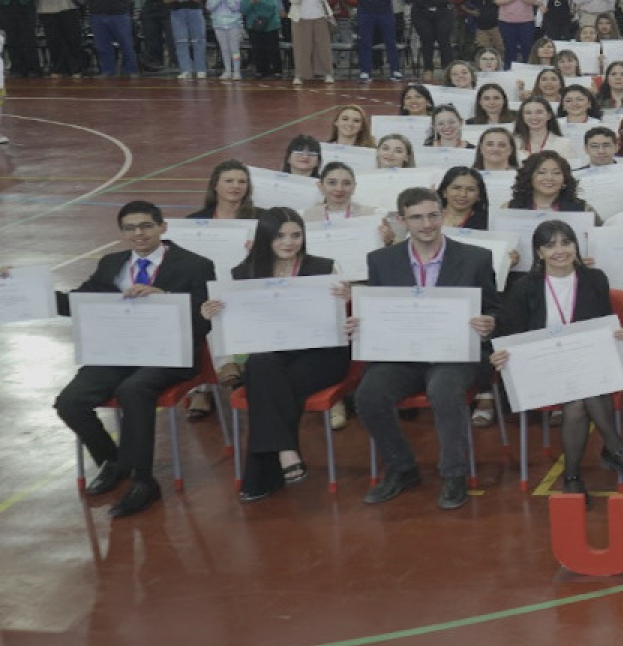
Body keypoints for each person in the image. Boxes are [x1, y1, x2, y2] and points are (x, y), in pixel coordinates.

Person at [49, 201, 217, 517]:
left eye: (145, 226)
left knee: (133, 390)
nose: (138, 233)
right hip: (119, 351)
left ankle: (144, 481)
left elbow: (204, 321)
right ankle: (113, 462)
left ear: (162, 227)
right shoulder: (111, 264)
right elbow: (78, 303)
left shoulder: (196, 265)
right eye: (130, 228)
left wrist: (166, 300)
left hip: (169, 353)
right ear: (122, 233)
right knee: (70, 401)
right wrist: (21, 288)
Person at [353, 187, 501, 510]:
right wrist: (360, 324)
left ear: (443, 214)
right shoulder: (381, 260)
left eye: (433, 215)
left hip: (454, 353)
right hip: (401, 355)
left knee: (444, 390)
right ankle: (402, 467)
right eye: (417, 217)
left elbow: (495, 308)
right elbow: (378, 311)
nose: (427, 224)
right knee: (368, 395)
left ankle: (454, 474)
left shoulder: (476, 258)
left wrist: (489, 321)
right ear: (402, 220)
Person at [490, 220, 623, 502]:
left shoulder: (594, 279)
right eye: (550, 245)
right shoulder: (524, 287)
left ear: (576, 246)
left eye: (566, 243)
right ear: (539, 252)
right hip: (544, 367)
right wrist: (500, 353)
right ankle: (616, 448)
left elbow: (602, 324)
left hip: (585, 363)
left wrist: (616, 334)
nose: (560, 251)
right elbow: (511, 333)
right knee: (581, 394)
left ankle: (573, 476)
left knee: (578, 398)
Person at [201, 210, 351, 501]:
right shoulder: (242, 273)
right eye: (280, 235)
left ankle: (261, 475)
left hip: (320, 356)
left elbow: (343, 320)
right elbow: (237, 322)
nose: (289, 242)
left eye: (296, 235)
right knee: (261, 364)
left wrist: (346, 301)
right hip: (273, 355)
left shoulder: (325, 268)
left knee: (265, 385)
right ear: (265, 237)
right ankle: (285, 451)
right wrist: (213, 314)